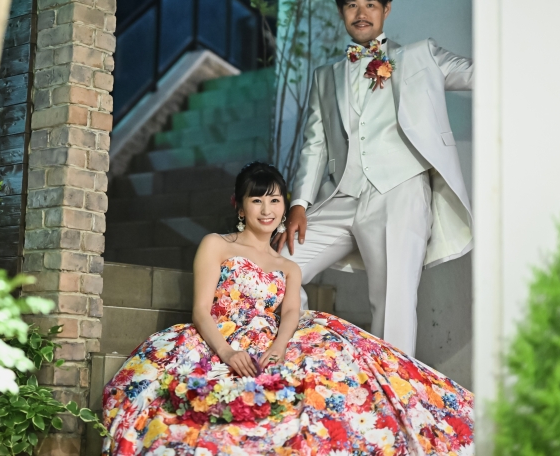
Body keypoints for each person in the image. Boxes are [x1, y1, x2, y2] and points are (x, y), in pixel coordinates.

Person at [102, 162, 473, 455]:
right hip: (220, 338)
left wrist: (279, 347)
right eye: (257, 201)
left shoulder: (288, 266)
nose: (267, 210)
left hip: (270, 339)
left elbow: (292, 313)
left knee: (342, 355)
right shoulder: (216, 245)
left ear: (285, 206)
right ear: (239, 206)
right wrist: (228, 353)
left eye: (275, 200)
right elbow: (200, 310)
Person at [275, 0, 474, 356]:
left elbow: (478, 74)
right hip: (342, 194)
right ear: (341, 12)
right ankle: (307, 357)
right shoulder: (325, 76)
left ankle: (391, 388)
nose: (361, 13)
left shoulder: (419, 56)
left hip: (399, 191)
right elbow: (314, 144)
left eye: (370, 4)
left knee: (393, 303)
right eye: (352, 5)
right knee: (278, 266)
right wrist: (299, 204)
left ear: (386, 9)